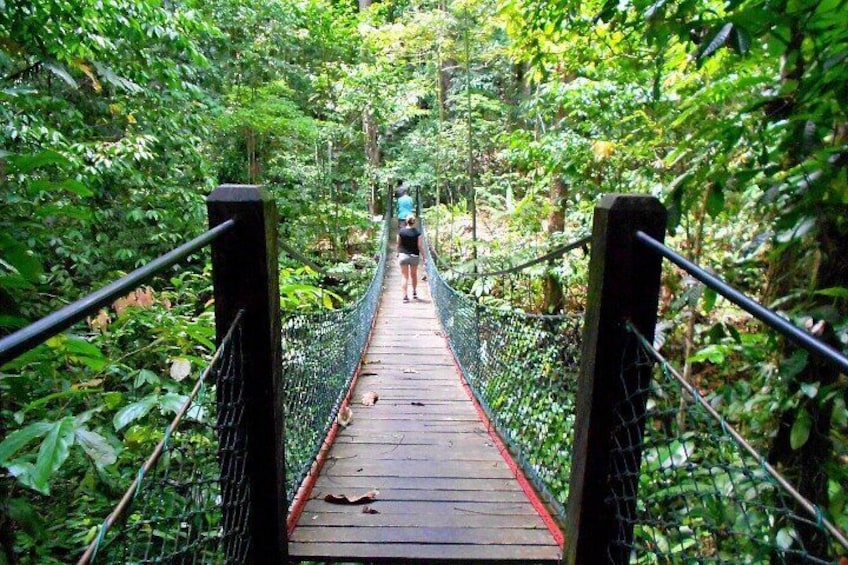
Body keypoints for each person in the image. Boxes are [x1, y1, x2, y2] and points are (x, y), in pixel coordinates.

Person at [397, 214, 425, 302]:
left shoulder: (401, 232)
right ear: (414, 222)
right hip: (414, 256)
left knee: (404, 276)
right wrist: (424, 256)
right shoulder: (417, 232)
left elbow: (398, 244)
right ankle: (414, 292)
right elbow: (419, 246)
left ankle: (405, 296)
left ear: (406, 221)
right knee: (413, 275)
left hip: (403, 256)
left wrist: (397, 253)